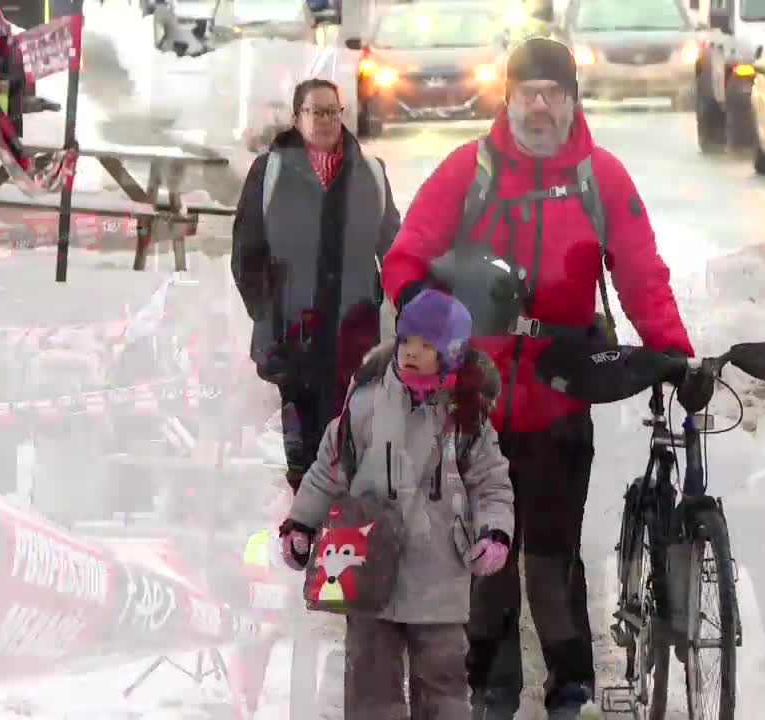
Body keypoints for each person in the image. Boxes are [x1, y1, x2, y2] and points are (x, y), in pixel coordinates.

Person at [378, 37, 695, 720]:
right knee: (486, 553)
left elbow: (641, 273)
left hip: (558, 394)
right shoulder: (470, 171)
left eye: (554, 92)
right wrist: (423, 312)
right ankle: (491, 685)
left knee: (553, 554)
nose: (542, 105)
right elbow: (406, 258)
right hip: (475, 402)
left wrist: (674, 353)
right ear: (508, 97)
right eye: (530, 92)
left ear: (573, 100)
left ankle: (569, 685)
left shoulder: (598, 177)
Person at [278, 289, 516, 720]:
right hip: (368, 567)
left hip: (439, 573)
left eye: (427, 346)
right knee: (370, 684)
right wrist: (301, 523)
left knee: (442, 685)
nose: (412, 353)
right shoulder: (365, 404)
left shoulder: (466, 417)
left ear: (451, 352)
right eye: (407, 342)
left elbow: (491, 483)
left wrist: (494, 531)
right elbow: (329, 469)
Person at [231, 77, 401, 495]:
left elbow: (395, 250)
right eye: (316, 111)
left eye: (333, 111)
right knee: (302, 450)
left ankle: (345, 537)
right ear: (296, 117)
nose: (326, 120)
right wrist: (269, 312)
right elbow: (245, 254)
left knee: (353, 439)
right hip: (292, 336)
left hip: (355, 335)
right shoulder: (269, 173)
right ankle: (304, 531)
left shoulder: (370, 173)